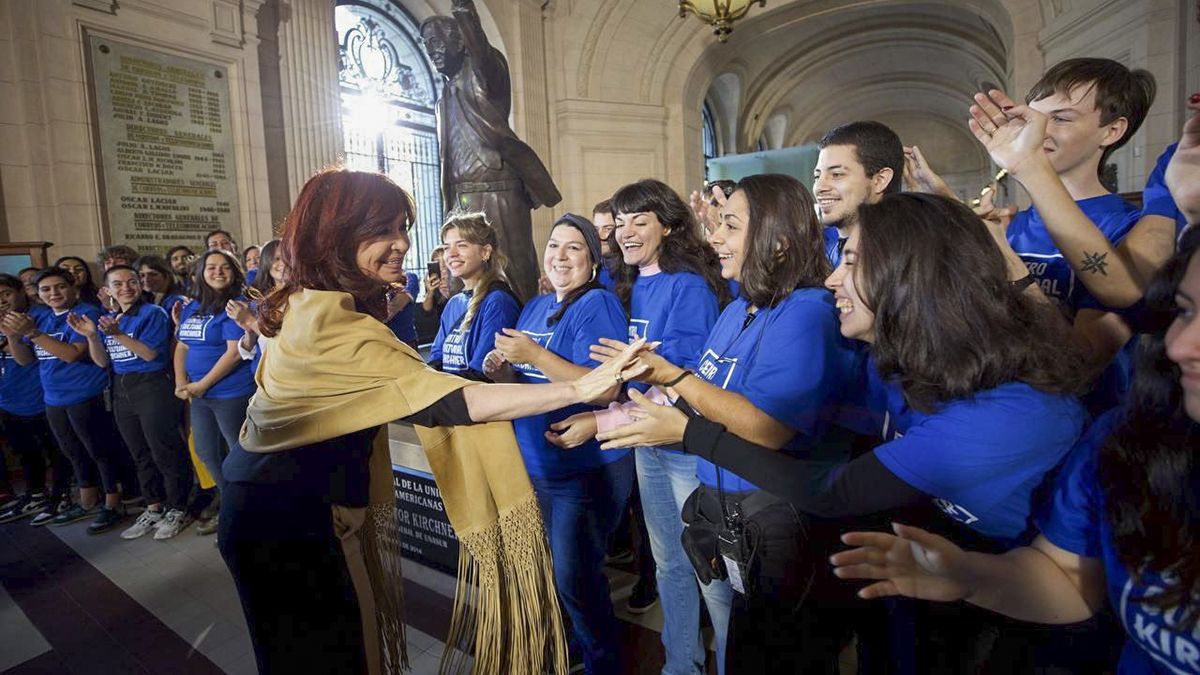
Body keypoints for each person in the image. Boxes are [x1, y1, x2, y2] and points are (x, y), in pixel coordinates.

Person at [602, 193, 1094, 671]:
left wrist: (691, 433)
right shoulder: (897, 361)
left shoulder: (1004, 415)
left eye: (852, 263)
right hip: (913, 570)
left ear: (909, 278)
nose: (833, 279)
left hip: (1008, 606)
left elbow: (832, 491)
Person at [217, 169, 646, 675]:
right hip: (288, 515)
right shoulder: (327, 320)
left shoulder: (313, 304)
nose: (402, 243)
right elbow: (446, 399)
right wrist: (576, 388)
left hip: (279, 502)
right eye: (385, 229)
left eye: (403, 228)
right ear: (337, 234)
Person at [831, 226, 1200, 675]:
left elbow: (832, 490)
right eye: (1184, 312)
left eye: (852, 262)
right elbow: (1067, 577)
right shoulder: (1127, 437)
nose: (1180, 346)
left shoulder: (1016, 414)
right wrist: (968, 576)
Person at [595, 174, 864, 673]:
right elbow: (706, 386)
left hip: (777, 519)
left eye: (730, 226)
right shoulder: (742, 305)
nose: (714, 237)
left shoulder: (808, 312)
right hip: (729, 511)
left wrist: (672, 379)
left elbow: (768, 428)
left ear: (778, 240)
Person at [557, 178, 727, 675]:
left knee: (709, 568)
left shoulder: (688, 286)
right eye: (622, 222)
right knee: (670, 562)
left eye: (640, 220)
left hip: (683, 444)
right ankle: (680, 664)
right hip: (645, 444)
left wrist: (605, 414)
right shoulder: (630, 286)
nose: (626, 231)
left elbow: (684, 377)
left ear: (668, 226)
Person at [482, 213, 632, 674]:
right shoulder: (536, 306)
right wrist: (503, 367)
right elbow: (527, 375)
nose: (560, 256)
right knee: (556, 578)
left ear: (592, 261)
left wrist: (534, 353)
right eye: (554, 246)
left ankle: (604, 666)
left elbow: (606, 386)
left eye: (573, 248)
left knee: (577, 581)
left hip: (583, 471)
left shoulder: (598, 304)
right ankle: (571, 655)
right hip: (538, 468)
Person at [419, 0, 562, 301]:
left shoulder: (486, 73)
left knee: (511, 273)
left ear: (460, 40)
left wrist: (463, 10)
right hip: (462, 198)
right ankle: (469, 337)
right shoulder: (443, 96)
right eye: (426, 44)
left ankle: (521, 337)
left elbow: (480, 49)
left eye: (437, 41)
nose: (432, 50)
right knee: (463, 282)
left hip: (499, 192)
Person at [71, 266, 193, 540]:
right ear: (108, 289)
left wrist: (118, 335)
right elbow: (103, 361)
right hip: (122, 390)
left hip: (152, 387)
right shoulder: (110, 318)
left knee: (165, 449)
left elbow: (151, 355)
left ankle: (178, 507)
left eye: (132, 281)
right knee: (139, 452)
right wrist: (92, 335)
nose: (125, 287)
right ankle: (154, 505)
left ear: (140, 285)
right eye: (118, 283)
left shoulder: (152, 313)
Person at [2, 268, 127, 533]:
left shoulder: (87, 313)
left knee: (99, 450)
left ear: (72, 287)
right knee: (73, 451)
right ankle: (87, 501)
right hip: (53, 396)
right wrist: (13, 335)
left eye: (59, 287)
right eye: (46, 289)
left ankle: (113, 503)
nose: (53, 293)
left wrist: (34, 334)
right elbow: (26, 360)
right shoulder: (45, 318)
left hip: (85, 393)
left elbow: (71, 354)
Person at [173, 249, 254, 534]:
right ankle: (232, 504)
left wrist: (202, 384)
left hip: (230, 394)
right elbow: (182, 346)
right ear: (200, 273)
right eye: (211, 267)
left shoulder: (237, 306)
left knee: (238, 454)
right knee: (206, 451)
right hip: (198, 394)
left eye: (225, 267)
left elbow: (234, 354)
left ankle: (248, 512)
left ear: (234, 272)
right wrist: (180, 382)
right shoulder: (192, 307)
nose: (218, 272)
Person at [0, 274, 71, 525]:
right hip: (9, 399)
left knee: (57, 452)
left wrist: (11, 335)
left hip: (41, 398)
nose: (1, 301)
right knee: (25, 453)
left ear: (21, 291)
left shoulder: (40, 315)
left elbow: (26, 358)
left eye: (6, 293)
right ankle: (36, 494)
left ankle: (62, 495)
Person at [428, 212, 521, 380]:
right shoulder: (454, 303)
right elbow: (436, 359)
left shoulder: (498, 301)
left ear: (485, 252)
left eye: (462, 245)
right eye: (447, 247)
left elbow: (482, 373)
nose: (451, 253)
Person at [812, 121, 904, 267]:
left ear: (880, 180)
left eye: (836, 174)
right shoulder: (815, 248)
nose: (819, 187)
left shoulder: (904, 255)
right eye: (817, 177)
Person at [228, 239, 283, 377]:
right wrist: (249, 331)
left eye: (289, 257)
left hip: (287, 378)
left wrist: (250, 321)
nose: (283, 263)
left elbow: (286, 345)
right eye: (276, 259)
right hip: (263, 374)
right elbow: (248, 348)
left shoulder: (305, 297)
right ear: (266, 263)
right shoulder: (258, 300)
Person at [415, 247, 448, 345]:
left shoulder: (461, 278)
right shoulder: (432, 283)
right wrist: (430, 292)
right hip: (441, 334)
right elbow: (426, 311)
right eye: (437, 262)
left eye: (445, 260)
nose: (442, 265)